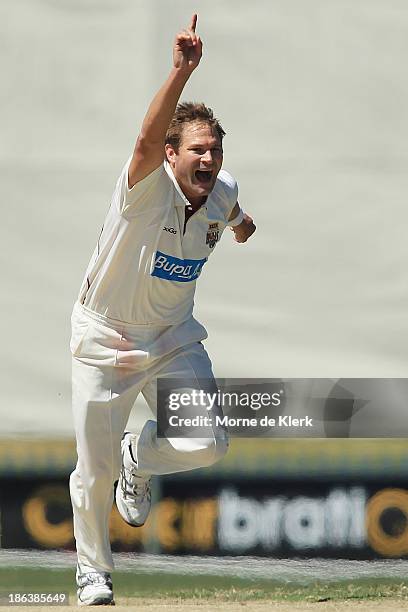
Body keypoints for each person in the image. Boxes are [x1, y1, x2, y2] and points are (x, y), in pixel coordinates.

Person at [69, 14, 256, 606]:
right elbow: (145, 141)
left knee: (207, 442)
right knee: (91, 473)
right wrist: (182, 71)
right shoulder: (146, 185)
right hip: (105, 339)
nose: (209, 158)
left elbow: (233, 213)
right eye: (197, 149)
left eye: (216, 150)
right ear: (171, 155)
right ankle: (93, 573)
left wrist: (244, 225)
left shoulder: (218, 189)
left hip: (173, 337)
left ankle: (139, 455)